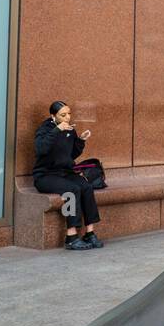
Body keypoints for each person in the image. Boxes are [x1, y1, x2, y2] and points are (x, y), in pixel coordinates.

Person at [33, 101, 103, 251]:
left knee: (86, 187)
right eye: (62, 115)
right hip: (45, 176)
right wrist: (56, 130)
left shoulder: (70, 130)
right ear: (53, 116)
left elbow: (71, 155)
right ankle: (71, 236)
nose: (67, 118)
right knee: (71, 191)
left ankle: (89, 233)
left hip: (65, 172)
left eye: (69, 114)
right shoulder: (45, 129)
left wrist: (81, 141)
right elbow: (41, 149)